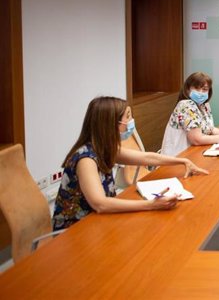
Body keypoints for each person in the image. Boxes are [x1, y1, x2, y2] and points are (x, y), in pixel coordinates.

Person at [53, 96, 209, 230]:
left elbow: (148, 158)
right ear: (111, 123)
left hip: (100, 222)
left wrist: (182, 161)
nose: (131, 121)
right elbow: (100, 204)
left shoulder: (104, 148)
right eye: (127, 117)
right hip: (79, 231)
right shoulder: (86, 159)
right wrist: (152, 205)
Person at [161, 71, 219, 156]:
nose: (201, 92)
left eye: (205, 89)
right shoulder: (186, 105)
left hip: (194, 154)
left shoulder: (204, 105)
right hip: (176, 159)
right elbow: (197, 139)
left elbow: (210, 129)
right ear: (187, 89)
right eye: (197, 88)